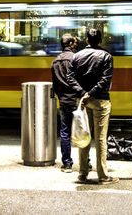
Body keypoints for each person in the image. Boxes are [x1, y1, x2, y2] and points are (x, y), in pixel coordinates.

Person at [67, 28, 119, 185]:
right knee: (101, 138)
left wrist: (84, 94)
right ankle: (103, 176)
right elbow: (106, 79)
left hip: (83, 101)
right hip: (101, 101)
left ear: (87, 41)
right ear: (101, 41)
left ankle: (82, 173)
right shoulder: (106, 56)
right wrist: (91, 93)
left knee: (84, 137)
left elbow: (70, 78)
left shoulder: (76, 56)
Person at [51, 33, 78, 173]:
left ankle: (67, 164)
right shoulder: (76, 58)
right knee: (81, 130)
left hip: (64, 100)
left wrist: (61, 96)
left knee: (65, 131)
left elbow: (55, 85)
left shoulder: (55, 61)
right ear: (72, 44)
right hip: (77, 99)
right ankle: (86, 162)